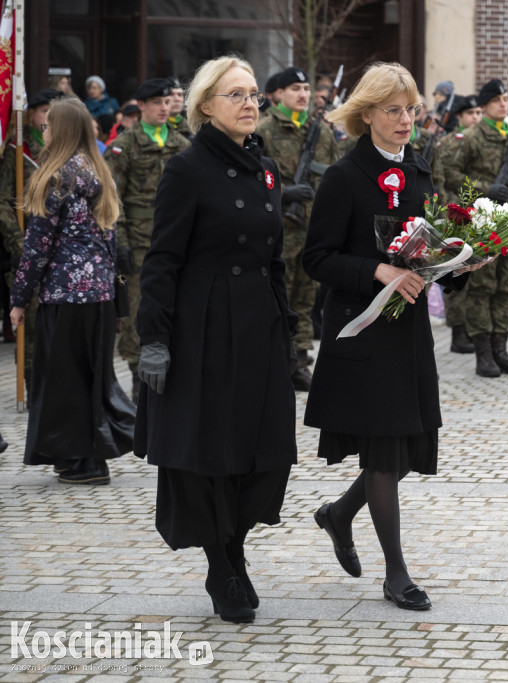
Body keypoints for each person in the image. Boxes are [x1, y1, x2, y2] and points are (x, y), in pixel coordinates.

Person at [304, 62, 482, 611]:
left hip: (406, 332)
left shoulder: (422, 171)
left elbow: (423, 252)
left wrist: (458, 263)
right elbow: (317, 258)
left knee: (404, 446)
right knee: (383, 454)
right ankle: (397, 574)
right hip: (362, 331)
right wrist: (376, 271)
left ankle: (339, 513)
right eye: (393, 111)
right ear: (366, 115)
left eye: (411, 110)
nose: (406, 120)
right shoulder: (342, 177)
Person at [135, 56, 296, 624]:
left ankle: (235, 545)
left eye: (254, 94)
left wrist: (288, 329)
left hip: (259, 323)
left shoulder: (267, 167)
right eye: (236, 94)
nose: (251, 103)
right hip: (203, 326)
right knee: (209, 454)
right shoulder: (187, 168)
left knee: (266, 451)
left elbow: (274, 259)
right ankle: (221, 562)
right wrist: (153, 339)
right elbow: (161, 259)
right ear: (206, 106)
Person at [9, 96, 134, 485]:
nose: (42, 131)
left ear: (59, 130)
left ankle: (84, 462)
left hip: (64, 296)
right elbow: (111, 243)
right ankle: (79, 456)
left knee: (65, 381)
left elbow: (37, 247)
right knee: (91, 378)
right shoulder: (100, 173)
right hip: (97, 296)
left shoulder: (55, 176)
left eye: (47, 126)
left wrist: (18, 299)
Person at [104, 78, 191, 401]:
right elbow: (114, 199)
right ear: (141, 106)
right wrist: (120, 242)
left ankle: (174, 361)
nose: (163, 108)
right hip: (139, 243)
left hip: (177, 241)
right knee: (139, 306)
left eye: (167, 102)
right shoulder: (124, 146)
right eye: (156, 103)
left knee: (179, 301)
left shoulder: (182, 145)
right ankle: (139, 369)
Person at [256, 66, 340, 392]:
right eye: (295, 89)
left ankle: (301, 360)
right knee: (279, 299)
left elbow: (335, 180)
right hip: (278, 231)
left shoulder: (324, 134)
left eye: (306, 89)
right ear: (279, 94)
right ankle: (279, 359)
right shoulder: (262, 131)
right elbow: (250, 182)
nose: (303, 94)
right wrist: (284, 193)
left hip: (314, 230)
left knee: (306, 300)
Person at [447, 78, 508, 377]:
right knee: (483, 288)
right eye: (497, 99)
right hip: (483, 222)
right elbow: (451, 174)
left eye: (506, 98)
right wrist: (485, 188)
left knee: (506, 287)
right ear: (483, 106)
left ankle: (501, 349)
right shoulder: (470, 137)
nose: (503, 103)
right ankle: (483, 354)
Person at [0, 88, 60, 396]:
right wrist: (19, 243)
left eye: (54, 111)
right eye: (42, 111)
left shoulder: (65, 150)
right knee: (32, 325)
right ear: (31, 115)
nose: (48, 117)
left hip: (63, 253)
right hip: (29, 248)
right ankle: (34, 389)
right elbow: (2, 202)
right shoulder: (16, 152)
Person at [433, 94, 483, 353]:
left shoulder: (482, 140)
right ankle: (458, 332)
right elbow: (449, 179)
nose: (476, 117)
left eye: (478, 113)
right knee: (458, 271)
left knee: (475, 276)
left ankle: (472, 329)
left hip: (480, 213)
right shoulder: (453, 142)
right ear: (460, 117)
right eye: (470, 113)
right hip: (458, 213)